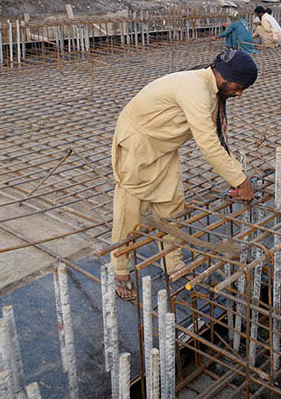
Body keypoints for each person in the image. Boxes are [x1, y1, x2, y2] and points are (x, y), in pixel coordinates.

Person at [111, 50, 258, 300]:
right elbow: (208, 144)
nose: (240, 93)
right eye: (239, 87)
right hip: (139, 144)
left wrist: (238, 175)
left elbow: (218, 138)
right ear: (225, 77)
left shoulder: (211, 89)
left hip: (163, 147)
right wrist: (240, 180)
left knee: (172, 205)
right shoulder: (196, 90)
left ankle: (174, 265)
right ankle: (120, 270)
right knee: (130, 210)